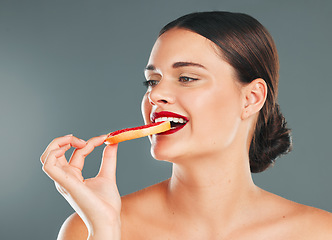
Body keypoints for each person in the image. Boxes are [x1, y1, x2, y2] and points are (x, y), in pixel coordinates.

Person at [40, 11, 332, 240]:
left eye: (187, 78)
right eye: (152, 81)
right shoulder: (87, 228)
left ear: (251, 98)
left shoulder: (321, 233)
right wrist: (104, 231)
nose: (155, 95)